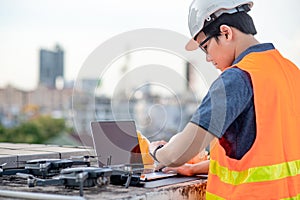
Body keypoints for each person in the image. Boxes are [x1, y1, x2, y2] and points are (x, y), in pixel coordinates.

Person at [149, 0, 300, 199]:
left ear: (226, 32)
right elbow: (266, 155)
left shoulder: (236, 79)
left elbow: (177, 153)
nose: (208, 58)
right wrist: (195, 169)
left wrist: (157, 151)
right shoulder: (291, 71)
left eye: (205, 47)